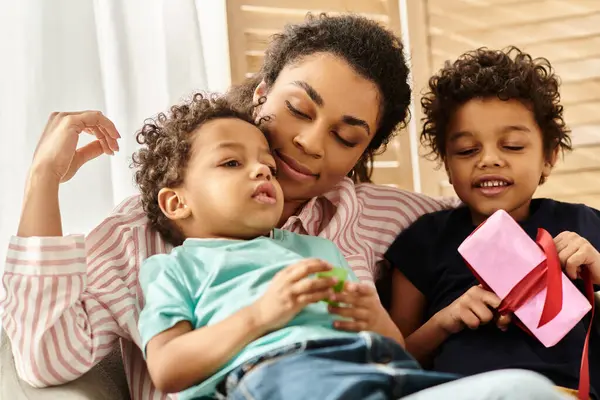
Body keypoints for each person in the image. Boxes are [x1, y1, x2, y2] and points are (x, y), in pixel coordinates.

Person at [0, 13, 567, 400]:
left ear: (363, 154)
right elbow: (44, 356)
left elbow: (497, 216)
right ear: (261, 94)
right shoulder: (144, 237)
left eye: (347, 138)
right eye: (297, 108)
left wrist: (571, 241)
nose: (310, 143)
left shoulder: (382, 218)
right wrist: (43, 180)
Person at [134, 93, 458, 399]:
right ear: (176, 202)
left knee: (508, 386)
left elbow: (394, 347)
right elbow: (167, 367)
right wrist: (261, 315)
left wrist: (379, 322)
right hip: (276, 371)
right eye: (231, 162)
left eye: (269, 168)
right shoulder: (175, 268)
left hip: (372, 365)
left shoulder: (318, 249)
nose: (262, 169)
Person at [385, 47, 600, 399]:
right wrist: (445, 321)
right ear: (446, 163)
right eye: (467, 150)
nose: (489, 160)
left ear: (549, 157)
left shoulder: (582, 225)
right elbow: (392, 358)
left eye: (513, 146)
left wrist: (598, 267)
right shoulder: (425, 240)